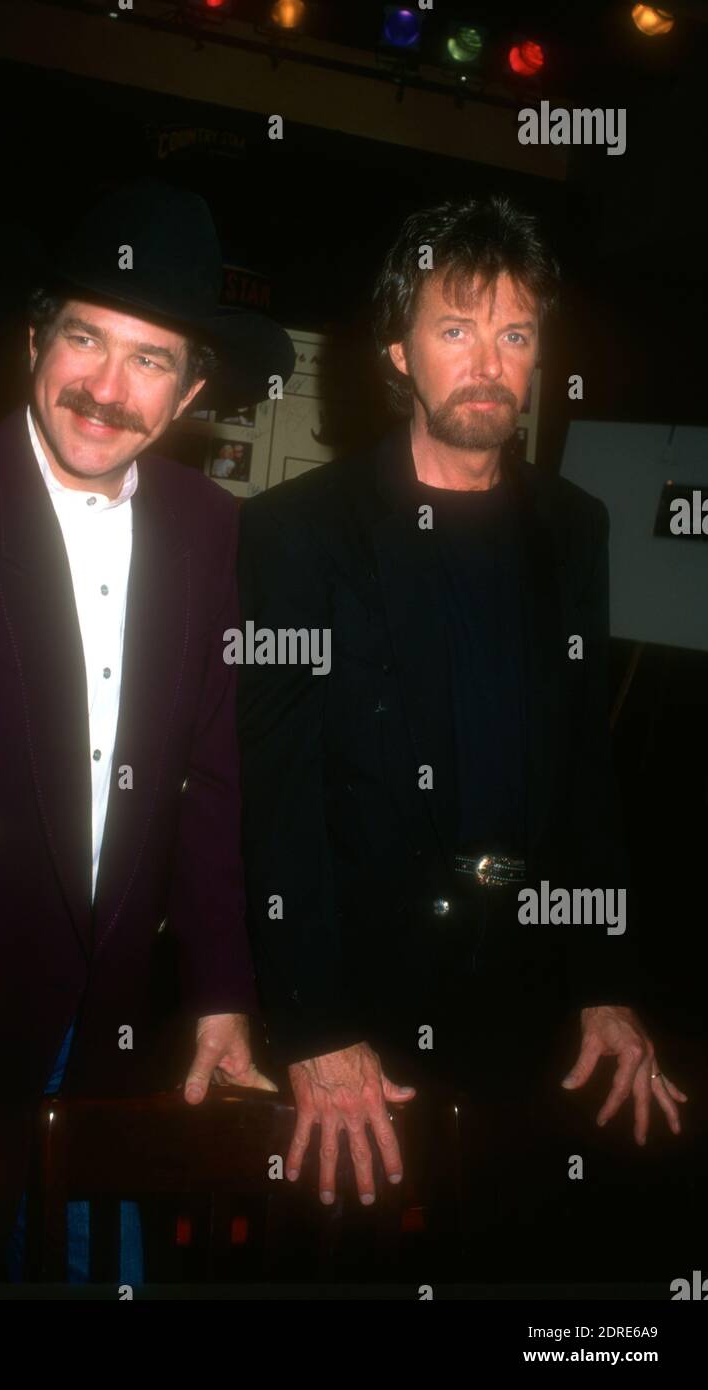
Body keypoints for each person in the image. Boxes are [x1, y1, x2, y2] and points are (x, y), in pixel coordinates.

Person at [0, 179, 294, 1283]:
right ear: (35, 337)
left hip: (108, 1037)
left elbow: (208, 785)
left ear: (190, 390)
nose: (106, 387)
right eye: (86, 338)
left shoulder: (212, 533)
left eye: (150, 358)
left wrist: (225, 994)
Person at [237, 194, 687, 1281]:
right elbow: (273, 793)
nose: (488, 360)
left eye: (515, 333)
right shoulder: (296, 532)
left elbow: (586, 771)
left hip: (528, 1006)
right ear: (398, 349)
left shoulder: (575, 526)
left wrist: (605, 976)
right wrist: (310, 1026)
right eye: (455, 328)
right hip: (361, 1012)